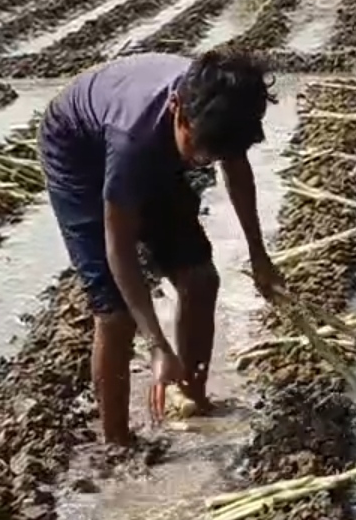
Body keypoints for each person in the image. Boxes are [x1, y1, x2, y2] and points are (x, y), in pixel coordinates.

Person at [39, 49, 285, 445]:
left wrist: (260, 256)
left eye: (212, 155)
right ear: (177, 111)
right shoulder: (133, 138)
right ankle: (116, 444)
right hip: (77, 150)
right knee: (115, 314)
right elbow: (118, 246)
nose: (203, 161)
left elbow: (236, 172)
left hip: (156, 145)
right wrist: (157, 345)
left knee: (200, 279)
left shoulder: (226, 110)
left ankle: (192, 400)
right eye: (199, 150)